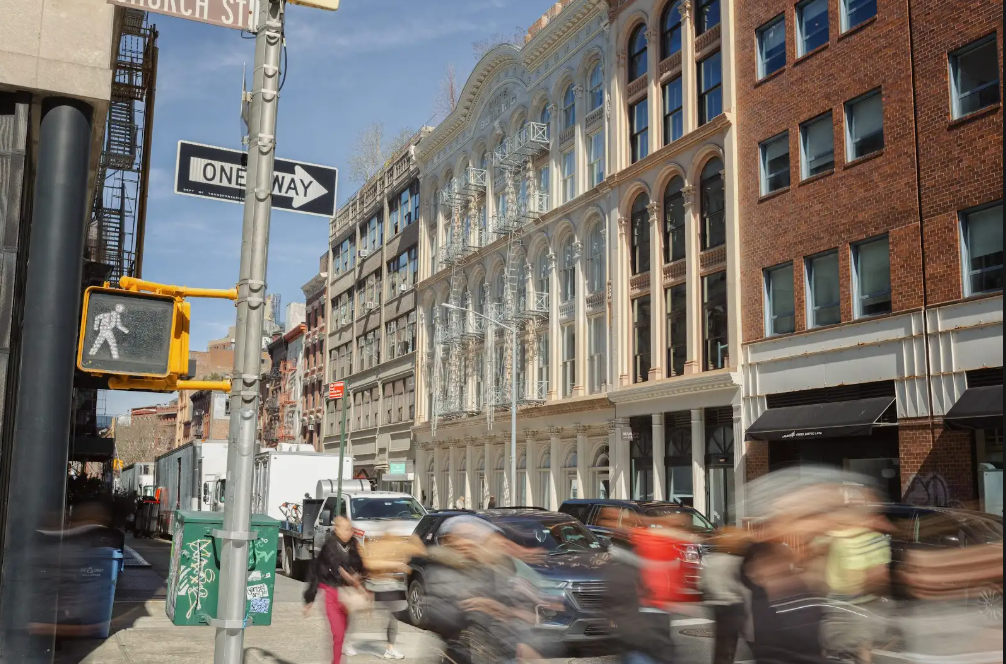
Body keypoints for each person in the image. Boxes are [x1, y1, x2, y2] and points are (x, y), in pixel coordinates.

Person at [821, 504, 891, 664]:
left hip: (838, 601)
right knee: (862, 649)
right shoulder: (876, 540)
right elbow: (880, 576)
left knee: (831, 650)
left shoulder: (838, 537)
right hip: (863, 602)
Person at [304, 516, 365, 663]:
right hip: (331, 593)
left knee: (342, 633)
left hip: (347, 596)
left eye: (350, 529)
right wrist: (309, 598)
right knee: (337, 634)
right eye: (345, 529)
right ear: (337, 529)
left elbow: (360, 566)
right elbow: (318, 572)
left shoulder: (353, 544)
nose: (349, 532)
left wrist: (360, 578)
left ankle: (337, 657)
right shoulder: (329, 546)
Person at [361, 534, 426, 660]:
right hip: (378, 586)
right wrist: (395, 564)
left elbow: (421, 552)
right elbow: (370, 564)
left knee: (393, 616)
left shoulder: (396, 545)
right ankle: (389, 649)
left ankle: (390, 649)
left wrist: (417, 542)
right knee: (392, 616)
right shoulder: (380, 545)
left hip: (388, 586)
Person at [701, 527, 751, 664]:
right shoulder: (736, 561)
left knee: (722, 643)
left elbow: (702, 583)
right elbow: (742, 587)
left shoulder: (710, 560)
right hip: (734, 606)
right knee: (747, 639)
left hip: (717, 607)